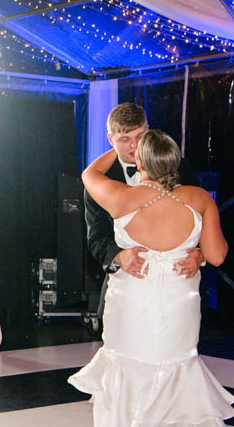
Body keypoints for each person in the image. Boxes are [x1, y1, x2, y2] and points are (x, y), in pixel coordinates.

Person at [71, 129, 234, 427]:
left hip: (131, 304)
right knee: (177, 381)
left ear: (140, 163)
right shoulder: (199, 199)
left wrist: (117, 146)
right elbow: (219, 256)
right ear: (174, 161)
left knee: (121, 378)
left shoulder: (122, 197)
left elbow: (89, 175)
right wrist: (199, 257)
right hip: (176, 304)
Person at [86, 103, 204, 297]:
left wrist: (201, 254)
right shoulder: (100, 181)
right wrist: (118, 256)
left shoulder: (179, 166)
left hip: (178, 285)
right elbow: (96, 236)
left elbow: (203, 220)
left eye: (140, 136)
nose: (134, 146)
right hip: (125, 286)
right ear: (110, 139)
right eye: (124, 139)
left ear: (148, 130)